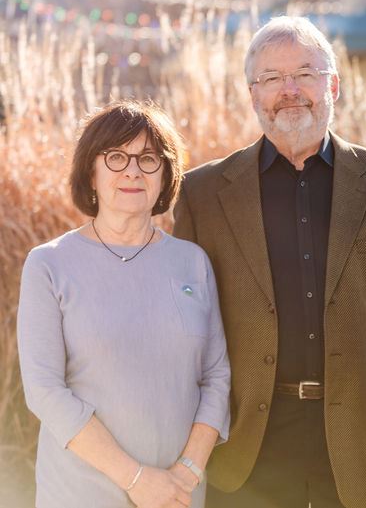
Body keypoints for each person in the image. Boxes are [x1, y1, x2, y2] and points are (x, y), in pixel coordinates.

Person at [172, 16, 366, 508]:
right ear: (253, 93)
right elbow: (185, 326)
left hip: (364, 438)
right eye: (272, 78)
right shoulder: (203, 193)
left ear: (333, 85)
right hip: (248, 445)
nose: (290, 90)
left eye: (305, 73)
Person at [18, 99, 229, 508]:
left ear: (166, 174)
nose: (133, 170)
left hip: (177, 496)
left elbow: (217, 376)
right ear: (90, 172)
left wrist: (185, 474)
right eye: (116, 156)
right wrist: (136, 480)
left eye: (149, 158)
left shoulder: (192, 262)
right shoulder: (49, 264)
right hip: (81, 494)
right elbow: (44, 391)